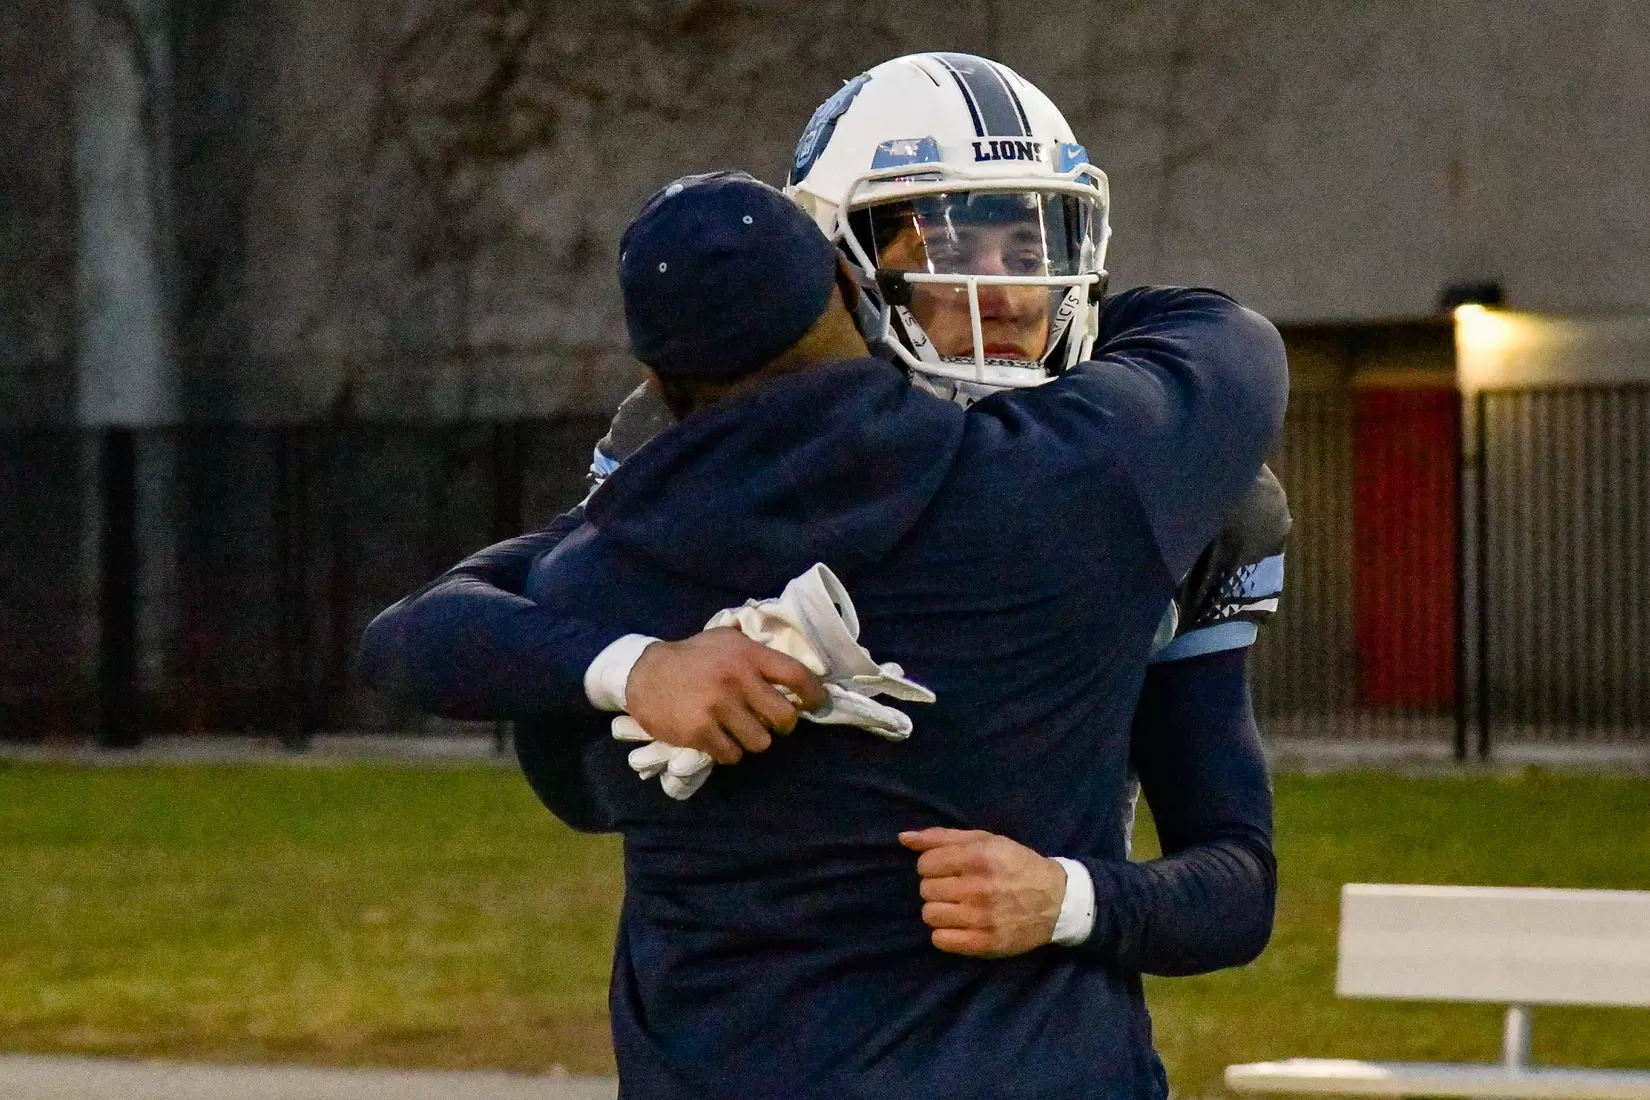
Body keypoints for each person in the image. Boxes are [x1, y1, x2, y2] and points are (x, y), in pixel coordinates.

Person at [368, 168, 1287, 1098]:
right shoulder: (1078, 486)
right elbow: (1230, 341)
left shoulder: (607, 568)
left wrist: (630, 667)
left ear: (656, 375)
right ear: (853, 287)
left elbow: (476, 687)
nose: (998, 291)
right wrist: (1079, 899)